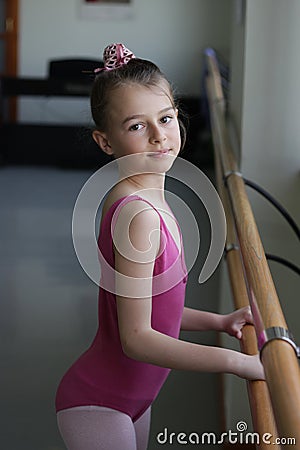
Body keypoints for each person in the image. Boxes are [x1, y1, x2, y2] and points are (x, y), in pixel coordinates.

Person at [55, 43, 265, 450]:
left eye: (166, 118)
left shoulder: (153, 197)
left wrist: (219, 322)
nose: (158, 136)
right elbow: (137, 337)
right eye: (136, 126)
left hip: (134, 399)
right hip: (100, 403)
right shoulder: (138, 217)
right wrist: (237, 363)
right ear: (105, 141)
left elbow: (155, 308)